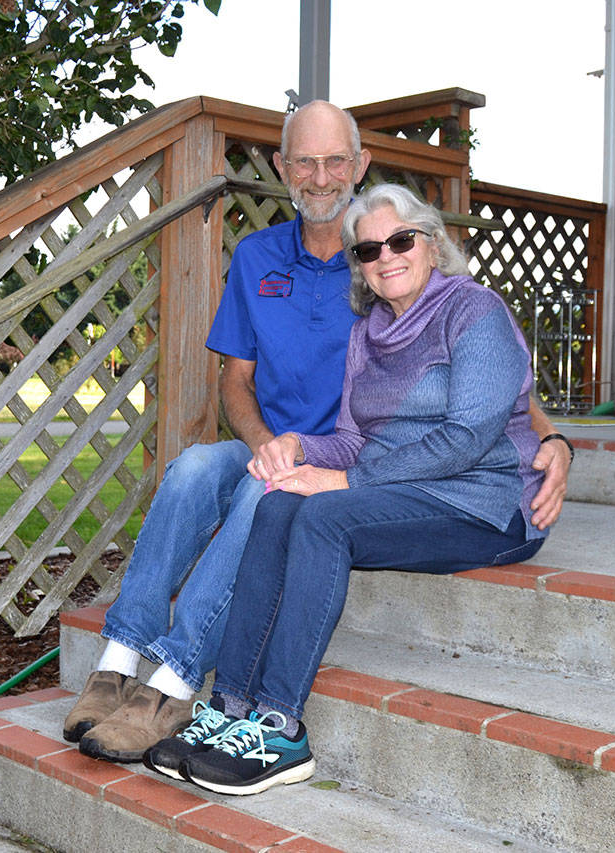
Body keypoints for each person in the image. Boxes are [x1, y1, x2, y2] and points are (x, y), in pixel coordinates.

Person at [64, 102, 572, 764]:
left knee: (270, 497)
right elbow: (236, 382)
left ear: (361, 166)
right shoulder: (270, 263)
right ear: (282, 167)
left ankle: (176, 681)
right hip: (292, 445)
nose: (322, 176)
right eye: (305, 161)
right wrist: (272, 449)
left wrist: (554, 440)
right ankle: (118, 659)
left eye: (336, 161)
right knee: (193, 468)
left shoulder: (405, 280)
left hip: (361, 469)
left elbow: (491, 392)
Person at [144, 183, 555, 795]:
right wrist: (298, 448)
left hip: (484, 503)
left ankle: (282, 728)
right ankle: (229, 707)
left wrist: (344, 480)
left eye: (400, 241)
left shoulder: (475, 313)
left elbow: (467, 439)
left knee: (324, 517)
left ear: (432, 244)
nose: (386, 256)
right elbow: (353, 438)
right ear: (358, 265)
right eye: (368, 250)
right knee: (280, 501)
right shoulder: (369, 330)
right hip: (400, 491)